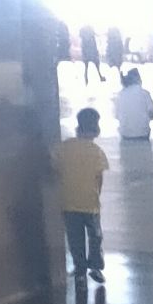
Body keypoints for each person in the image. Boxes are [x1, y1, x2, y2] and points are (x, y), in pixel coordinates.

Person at [56, 105, 108, 285]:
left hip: (68, 201)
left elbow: (54, 166)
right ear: (96, 128)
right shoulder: (96, 152)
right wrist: (97, 195)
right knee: (95, 236)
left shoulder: (65, 147)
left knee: (75, 237)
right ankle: (95, 266)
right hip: (90, 202)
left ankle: (79, 268)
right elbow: (99, 178)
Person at [113, 66, 153, 141]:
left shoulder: (120, 95)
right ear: (138, 79)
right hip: (143, 133)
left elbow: (116, 116)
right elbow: (151, 114)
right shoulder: (145, 93)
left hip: (125, 133)